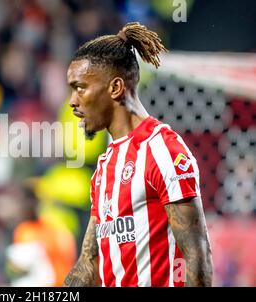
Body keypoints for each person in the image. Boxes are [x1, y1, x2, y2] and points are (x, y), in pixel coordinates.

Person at [63, 22, 213, 287]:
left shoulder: (163, 150)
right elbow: (89, 263)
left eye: (81, 88)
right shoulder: (104, 167)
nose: (73, 101)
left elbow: (197, 256)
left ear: (115, 88)